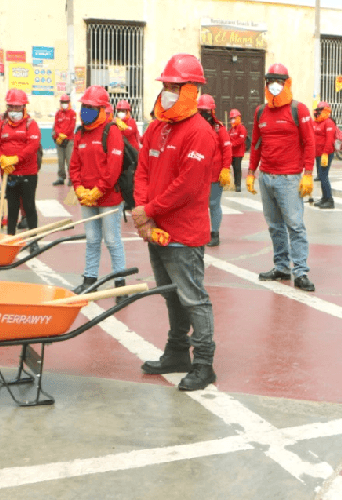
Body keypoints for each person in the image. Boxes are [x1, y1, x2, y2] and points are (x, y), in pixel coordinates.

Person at [132, 54, 218, 391]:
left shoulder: (200, 132)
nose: (167, 91)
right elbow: (142, 171)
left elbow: (187, 185)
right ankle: (177, 351)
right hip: (156, 228)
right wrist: (143, 209)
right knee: (172, 296)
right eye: (166, 85)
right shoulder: (157, 127)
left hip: (184, 233)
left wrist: (149, 209)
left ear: (191, 90)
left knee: (193, 298)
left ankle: (204, 362)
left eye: (174, 86)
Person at [247, 63, 316, 292]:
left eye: (279, 81)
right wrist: (250, 172)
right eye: (270, 81)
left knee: (295, 225)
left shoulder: (299, 110)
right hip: (266, 177)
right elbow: (256, 144)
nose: (274, 86)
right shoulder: (260, 112)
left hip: (289, 179)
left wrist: (308, 174)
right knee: (275, 226)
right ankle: (281, 267)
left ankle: (300, 271)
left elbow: (309, 143)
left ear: (287, 83)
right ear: (266, 84)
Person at [67, 86, 129, 299]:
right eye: (84, 106)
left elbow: (113, 168)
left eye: (91, 107)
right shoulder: (80, 132)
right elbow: (74, 165)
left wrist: (98, 190)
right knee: (92, 239)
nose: (86, 111)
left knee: (112, 240)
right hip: (87, 198)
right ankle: (89, 280)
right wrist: (79, 188)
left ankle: (120, 284)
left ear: (102, 109)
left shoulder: (111, 131)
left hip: (109, 197)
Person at [0, 89, 40, 237]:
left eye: (16, 107)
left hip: (28, 173)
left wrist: (16, 158)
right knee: (12, 207)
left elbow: (33, 145)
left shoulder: (31, 124)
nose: (13, 110)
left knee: (29, 206)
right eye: (10, 106)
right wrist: (1, 159)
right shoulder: (1, 122)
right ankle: (10, 237)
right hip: (9, 173)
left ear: (24, 107)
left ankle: (33, 239)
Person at [198, 94, 233, 247]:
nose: (203, 114)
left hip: (215, 174)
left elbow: (227, 150)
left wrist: (225, 169)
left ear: (212, 111)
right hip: (198, 174)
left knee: (213, 204)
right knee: (199, 205)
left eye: (206, 111)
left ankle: (215, 234)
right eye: (201, 111)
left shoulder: (220, 129)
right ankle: (202, 232)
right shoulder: (195, 127)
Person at [312, 101, 339, 209]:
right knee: (320, 176)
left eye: (320, 110)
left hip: (325, 154)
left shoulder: (328, 122)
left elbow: (329, 140)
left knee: (324, 176)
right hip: (317, 154)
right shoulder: (316, 122)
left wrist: (325, 153)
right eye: (317, 110)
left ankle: (330, 200)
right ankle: (324, 198)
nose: (317, 112)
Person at [52, 94, 77, 186]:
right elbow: (56, 125)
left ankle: (71, 178)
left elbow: (72, 126)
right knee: (61, 160)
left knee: (70, 160)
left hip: (69, 140)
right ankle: (61, 178)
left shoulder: (72, 113)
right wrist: (59, 135)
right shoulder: (58, 113)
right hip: (59, 140)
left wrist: (65, 135)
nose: (64, 104)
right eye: (62, 102)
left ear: (69, 102)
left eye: (66, 102)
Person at [228, 108, 247, 192]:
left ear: (238, 118)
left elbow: (241, 139)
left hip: (238, 153)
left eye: (234, 118)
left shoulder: (241, 128)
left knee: (237, 168)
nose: (232, 120)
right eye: (231, 118)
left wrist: (232, 144)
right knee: (233, 168)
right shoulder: (231, 129)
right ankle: (234, 184)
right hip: (231, 153)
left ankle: (238, 185)